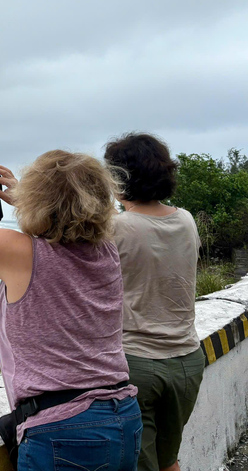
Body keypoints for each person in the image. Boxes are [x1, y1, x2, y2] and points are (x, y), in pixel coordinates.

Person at [0, 151, 142, 471]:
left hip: (65, 428)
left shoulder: (23, 253)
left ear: (38, 201)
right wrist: (33, 200)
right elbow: (72, 222)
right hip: (123, 415)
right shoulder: (106, 250)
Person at [104, 133, 204, 471]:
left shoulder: (117, 227)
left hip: (137, 364)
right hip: (188, 361)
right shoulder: (186, 219)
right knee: (167, 462)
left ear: (119, 179)